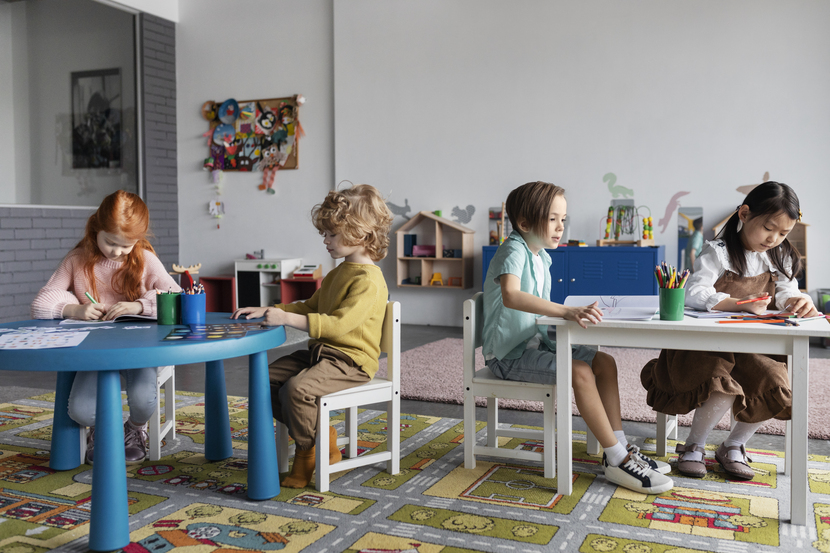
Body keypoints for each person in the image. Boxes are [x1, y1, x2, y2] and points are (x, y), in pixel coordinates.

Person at [483, 181, 672, 494]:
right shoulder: (513, 249)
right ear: (525, 223)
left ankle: (620, 448)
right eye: (553, 219)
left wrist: (567, 314)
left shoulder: (541, 256)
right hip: (508, 355)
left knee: (604, 362)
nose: (560, 227)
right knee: (581, 371)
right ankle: (617, 459)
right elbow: (512, 296)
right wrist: (565, 312)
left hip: (534, 344)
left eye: (563, 219)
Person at [641, 181, 818, 480]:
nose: (774, 238)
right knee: (720, 384)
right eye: (768, 228)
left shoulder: (781, 255)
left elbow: (787, 292)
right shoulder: (718, 251)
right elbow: (694, 292)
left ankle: (734, 445)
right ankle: (693, 445)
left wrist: (799, 301)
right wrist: (738, 303)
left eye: (783, 233)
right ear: (745, 214)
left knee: (775, 380)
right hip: (706, 347)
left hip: (751, 346)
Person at [232, 184, 393, 488]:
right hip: (322, 354)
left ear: (361, 234)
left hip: (351, 361)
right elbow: (309, 306)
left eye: (332, 234)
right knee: (264, 381)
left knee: (296, 390)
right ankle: (322, 436)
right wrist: (270, 308)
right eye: (325, 233)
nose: (325, 240)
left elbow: (337, 325)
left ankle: (307, 452)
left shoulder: (369, 281)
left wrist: (288, 319)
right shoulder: (338, 272)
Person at [31, 190, 181, 465]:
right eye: (111, 242)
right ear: (95, 228)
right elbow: (41, 303)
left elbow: (177, 298)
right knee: (81, 412)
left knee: (144, 402)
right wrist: (74, 309)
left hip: (139, 350)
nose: (118, 252)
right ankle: (103, 429)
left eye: (127, 245)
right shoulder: (77, 259)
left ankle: (135, 429)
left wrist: (139, 306)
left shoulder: (144, 258)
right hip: (94, 353)